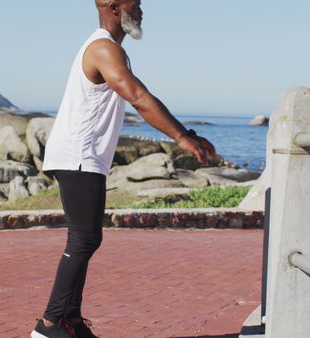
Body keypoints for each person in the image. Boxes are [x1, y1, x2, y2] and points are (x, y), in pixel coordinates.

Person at [31, 1, 216, 337]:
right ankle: (50, 324)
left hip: (85, 157)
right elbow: (138, 96)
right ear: (115, 8)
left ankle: (68, 320)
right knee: (84, 238)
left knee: (88, 238)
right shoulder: (102, 48)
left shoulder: (110, 49)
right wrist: (183, 138)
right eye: (137, 3)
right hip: (79, 155)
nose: (143, 9)